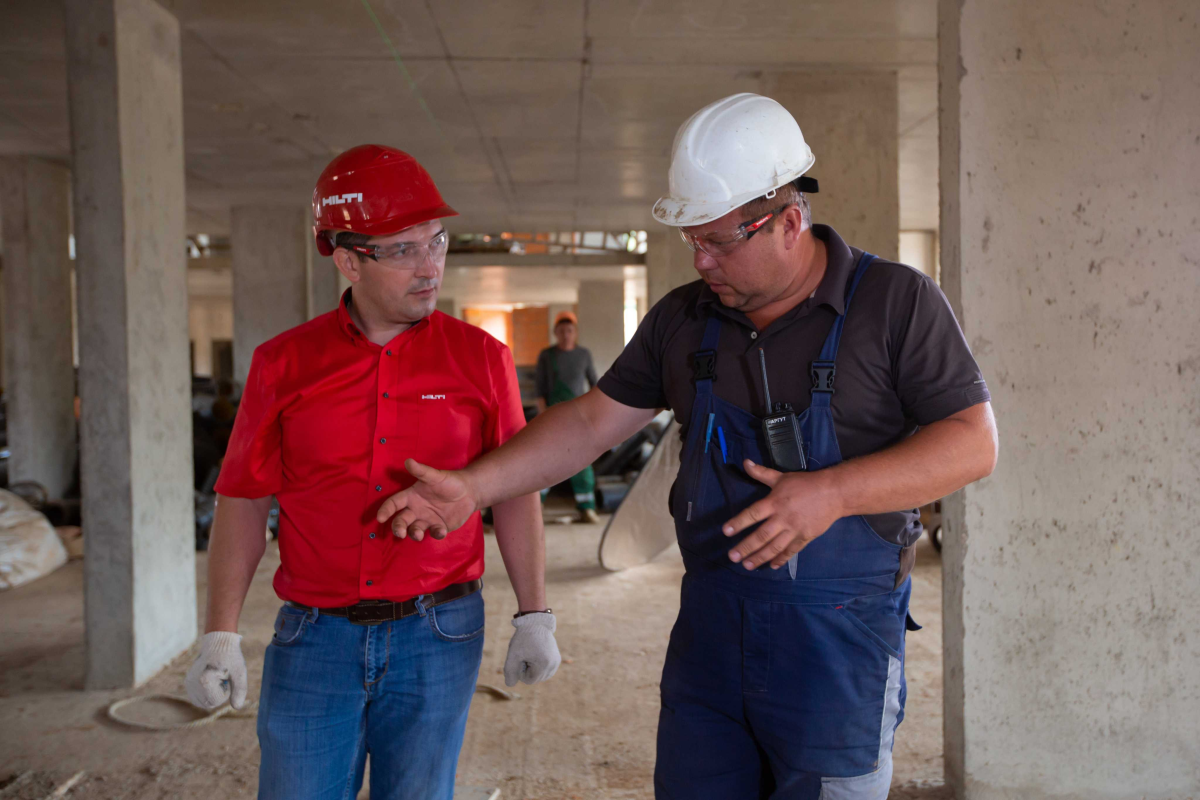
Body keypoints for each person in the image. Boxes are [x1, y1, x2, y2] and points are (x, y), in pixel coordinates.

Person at [374, 94, 1000, 799]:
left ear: (789, 222)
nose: (701, 260)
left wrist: (834, 492)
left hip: (838, 641)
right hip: (711, 631)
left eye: (719, 242)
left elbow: (973, 443)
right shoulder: (683, 320)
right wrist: (475, 488)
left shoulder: (895, 303)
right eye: (691, 240)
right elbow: (588, 424)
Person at [184, 144, 561, 800]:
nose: (430, 267)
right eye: (405, 250)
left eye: (436, 242)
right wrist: (219, 632)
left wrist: (536, 614)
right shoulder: (283, 365)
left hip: (439, 634)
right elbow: (242, 500)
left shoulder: (481, 359)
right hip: (314, 638)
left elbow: (516, 492)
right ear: (349, 258)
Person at [534, 311, 600, 522]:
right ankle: (535, 507)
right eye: (561, 331)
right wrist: (542, 416)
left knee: (582, 460)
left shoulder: (584, 355)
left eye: (569, 331)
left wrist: (595, 413)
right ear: (555, 333)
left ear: (575, 333)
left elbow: (595, 384)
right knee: (546, 460)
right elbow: (539, 389)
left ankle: (586, 507)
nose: (565, 335)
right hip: (553, 415)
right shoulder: (547, 355)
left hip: (579, 416)